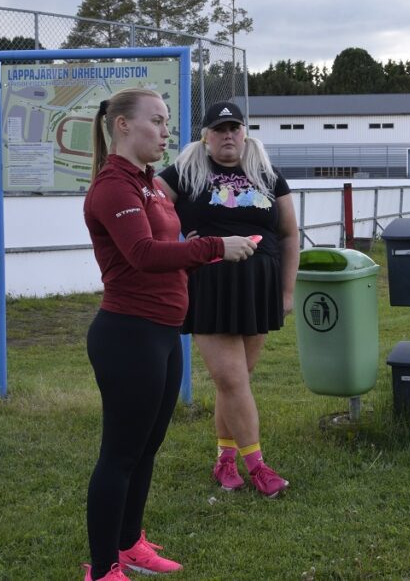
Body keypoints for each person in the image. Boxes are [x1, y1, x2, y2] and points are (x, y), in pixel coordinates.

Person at [82, 88, 258, 581]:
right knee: (119, 455)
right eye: (156, 121)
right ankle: (101, 569)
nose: (165, 131)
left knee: (146, 449)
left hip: (163, 332)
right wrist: (214, 247)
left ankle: (129, 543)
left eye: (165, 123)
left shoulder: (152, 186)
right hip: (127, 335)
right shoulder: (112, 187)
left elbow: (169, 247)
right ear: (122, 126)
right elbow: (142, 253)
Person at [158, 100, 299, 498]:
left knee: (235, 383)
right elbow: (150, 211)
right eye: (219, 129)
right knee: (232, 379)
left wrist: (287, 290)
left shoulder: (268, 175)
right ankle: (258, 466)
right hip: (208, 286)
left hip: (259, 289)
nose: (228, 135)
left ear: (244, 131)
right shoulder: (185, 172)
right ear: (205, 137)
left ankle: (224, 460)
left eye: (234, 128)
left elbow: (289, 235)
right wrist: (179, 244)